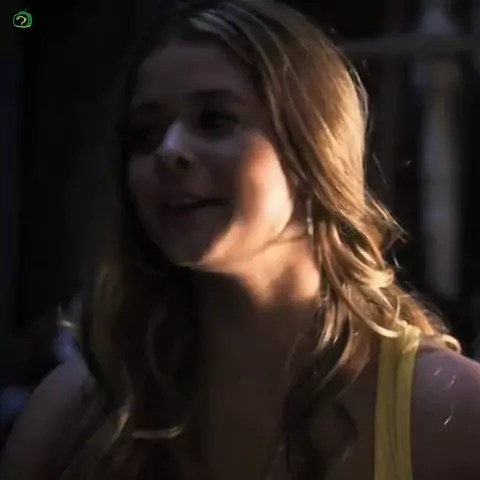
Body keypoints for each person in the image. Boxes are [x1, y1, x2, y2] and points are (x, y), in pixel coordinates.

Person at [3, 1, 480, 479]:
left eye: (215, 119)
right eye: (145, 135)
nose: (169, 151)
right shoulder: (71, 418)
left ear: (314, 146)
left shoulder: (452, 415)